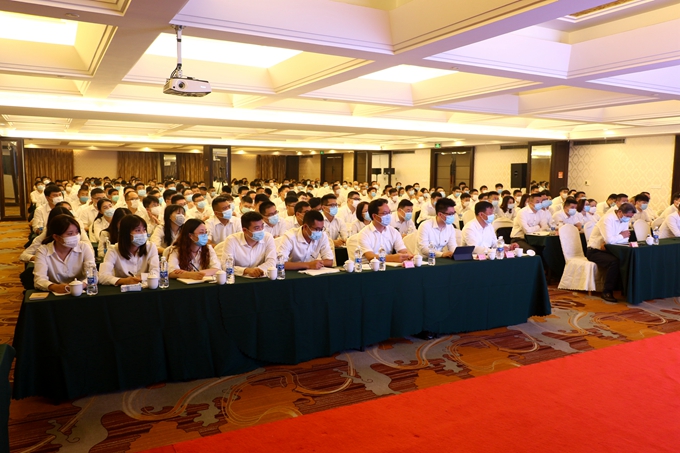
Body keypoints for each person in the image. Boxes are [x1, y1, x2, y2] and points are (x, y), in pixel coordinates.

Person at [33, 214, 96, 293]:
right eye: (70, 234)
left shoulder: (84, 247)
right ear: (56, 237)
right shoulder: (43, 251)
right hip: (56, 293)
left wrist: (81, 285)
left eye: (77, 232)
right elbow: (39, 280)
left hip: (80, 291)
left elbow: (93, 274)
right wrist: (54, 287)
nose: (75, 236)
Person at [586, 203, 636, 302]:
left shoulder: (624, 219)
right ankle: (607, 291)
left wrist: (618, 237)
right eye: (627, 216)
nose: (628, 219)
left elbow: (626, 239)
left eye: (630, 217)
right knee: (614, 262)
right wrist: (621, 236)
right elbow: (609, 240)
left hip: (610, 249)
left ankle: (624, 289)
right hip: (595, 251)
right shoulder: (607, 219)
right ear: (620, 212)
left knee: (627, 258)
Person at [99, 215, 160, 286]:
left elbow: (156, 273)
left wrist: (140, 277)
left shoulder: (151, 247)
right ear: (126, 233)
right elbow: (102, 277)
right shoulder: (113, 250)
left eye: (144, 230)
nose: (142, 233)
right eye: (137, 230)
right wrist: (124, 281)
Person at [21, 207, 89, 263]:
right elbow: (24, 256)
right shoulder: (47, 234)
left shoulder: (78, 232)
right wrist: (40, 258)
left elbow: (89, 251)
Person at [221, 211, 277, 277]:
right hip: (238, 279)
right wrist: (246, 270)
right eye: (257, 228)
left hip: (261, 276)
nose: (261, 230)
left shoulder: (268, 237)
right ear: (245, 230)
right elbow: (226, 266)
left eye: (262, 226)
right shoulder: (231, 240)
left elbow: (272, 261)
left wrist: (257, 270)